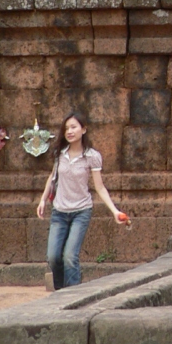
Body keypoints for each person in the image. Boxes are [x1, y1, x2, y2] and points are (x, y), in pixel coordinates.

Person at [36, 115, 127, 290]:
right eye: (66, 128)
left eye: (73, 127)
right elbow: (52, 177)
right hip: (59, 211)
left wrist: (115, 211)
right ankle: (61, 293)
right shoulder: (59, 153)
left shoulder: (92, 156)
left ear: (83, 129)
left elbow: (100, 187)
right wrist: (42, 200)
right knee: (53, 257)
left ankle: (73, 294)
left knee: (70, 257)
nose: (69, 131)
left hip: (81, 212)